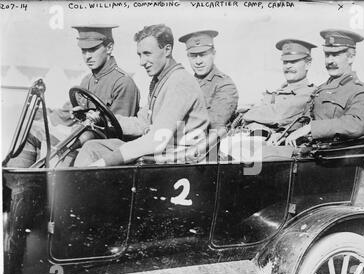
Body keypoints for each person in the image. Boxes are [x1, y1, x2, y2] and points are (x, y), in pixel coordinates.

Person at [74, 24, 209, 167]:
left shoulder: (180, 82)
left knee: (99, 158)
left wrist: (104, 162)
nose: (142, 62)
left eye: (147, 54)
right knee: (91, 148)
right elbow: (141, 123)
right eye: (140, 55)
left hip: (178, 161)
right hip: (161, 153)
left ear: (167, 50)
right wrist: (103, 119)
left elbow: (157, 140)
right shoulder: (161, 81)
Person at [7, 24, 140, 168]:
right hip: (78, 138)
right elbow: (65, 113)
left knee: (65, 149)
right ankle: (17, 182)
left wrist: (95, 122)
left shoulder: (123, 83)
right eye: (84, 51)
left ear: (109, 48)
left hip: (97, 149)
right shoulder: (87, 80)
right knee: (31, 130)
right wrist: (44, 117)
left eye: (93, 49)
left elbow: (118, 133)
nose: (88, 56)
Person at [285, 29, 364, 147]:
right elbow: (304, 120)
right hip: (309, 152)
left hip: (335, 157)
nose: (329, 61)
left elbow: (356, 124)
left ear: (351, 58)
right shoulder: (320, 89)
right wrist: (283, 135)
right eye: (327, 55)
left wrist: (312, 128)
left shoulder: (360, 91)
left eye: (336, 55)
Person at [240, 39, 317, 135]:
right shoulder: (278, 92)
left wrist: (246, 113)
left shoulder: (309, 93)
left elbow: (278, 115)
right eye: (285, 62)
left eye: (293, 62)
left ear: (308, 64)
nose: (288, 66)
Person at [179, 30, 238, 129]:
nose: (198, 61)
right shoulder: (185, 85)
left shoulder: (225, 85)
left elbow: (212, 123)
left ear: (213, 54)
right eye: (193, 56)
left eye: (203, 55)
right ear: (188, 57)